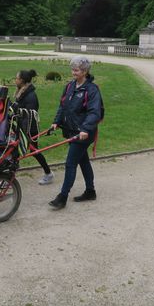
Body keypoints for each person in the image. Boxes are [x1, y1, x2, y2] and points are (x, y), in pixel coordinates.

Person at [49, 57, 103, 210]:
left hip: (84, 133)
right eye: (72, 69)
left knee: (70, 163)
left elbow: (94, 113)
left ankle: (62, 197)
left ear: (85, 72)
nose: (73, 72)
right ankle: (90, 191)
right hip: (72, 131)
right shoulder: (70, 86)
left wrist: (85, 129)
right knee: (83, 160)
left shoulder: (92, 90)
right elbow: (63, 106)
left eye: (76, 70)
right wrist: (56, 121)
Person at [14, 69, 54, 185]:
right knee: (14, 151)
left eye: (17, 78)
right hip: (21, 127)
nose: (15, 80)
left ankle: (48, 173)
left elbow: (30, 114)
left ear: (22, 80)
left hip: (29, 128)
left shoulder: (30, 96)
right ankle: (8, 176)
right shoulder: (21, 92)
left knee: (34, 151)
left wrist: (16, 110)